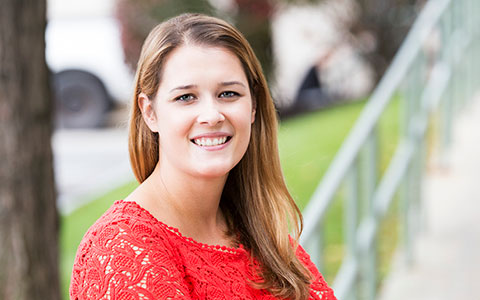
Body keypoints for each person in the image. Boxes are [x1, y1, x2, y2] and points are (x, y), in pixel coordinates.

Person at [70, 13, 336, 300]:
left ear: (254, 107)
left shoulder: (266, 243)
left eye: (229, 93)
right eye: (186, 97)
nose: (212, 115)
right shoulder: (122, 249)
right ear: (150, 112)